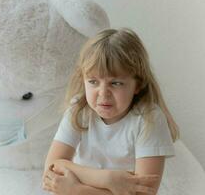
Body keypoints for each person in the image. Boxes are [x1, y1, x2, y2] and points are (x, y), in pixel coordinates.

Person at [42, 28, 179, 195]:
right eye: (93, 81)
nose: (103, 93)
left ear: (138, 84)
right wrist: (108, 179)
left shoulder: (149, 119)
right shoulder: (80, 108)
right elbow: (52, 168)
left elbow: (144, 193)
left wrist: (77, 189)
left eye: (115, 83)